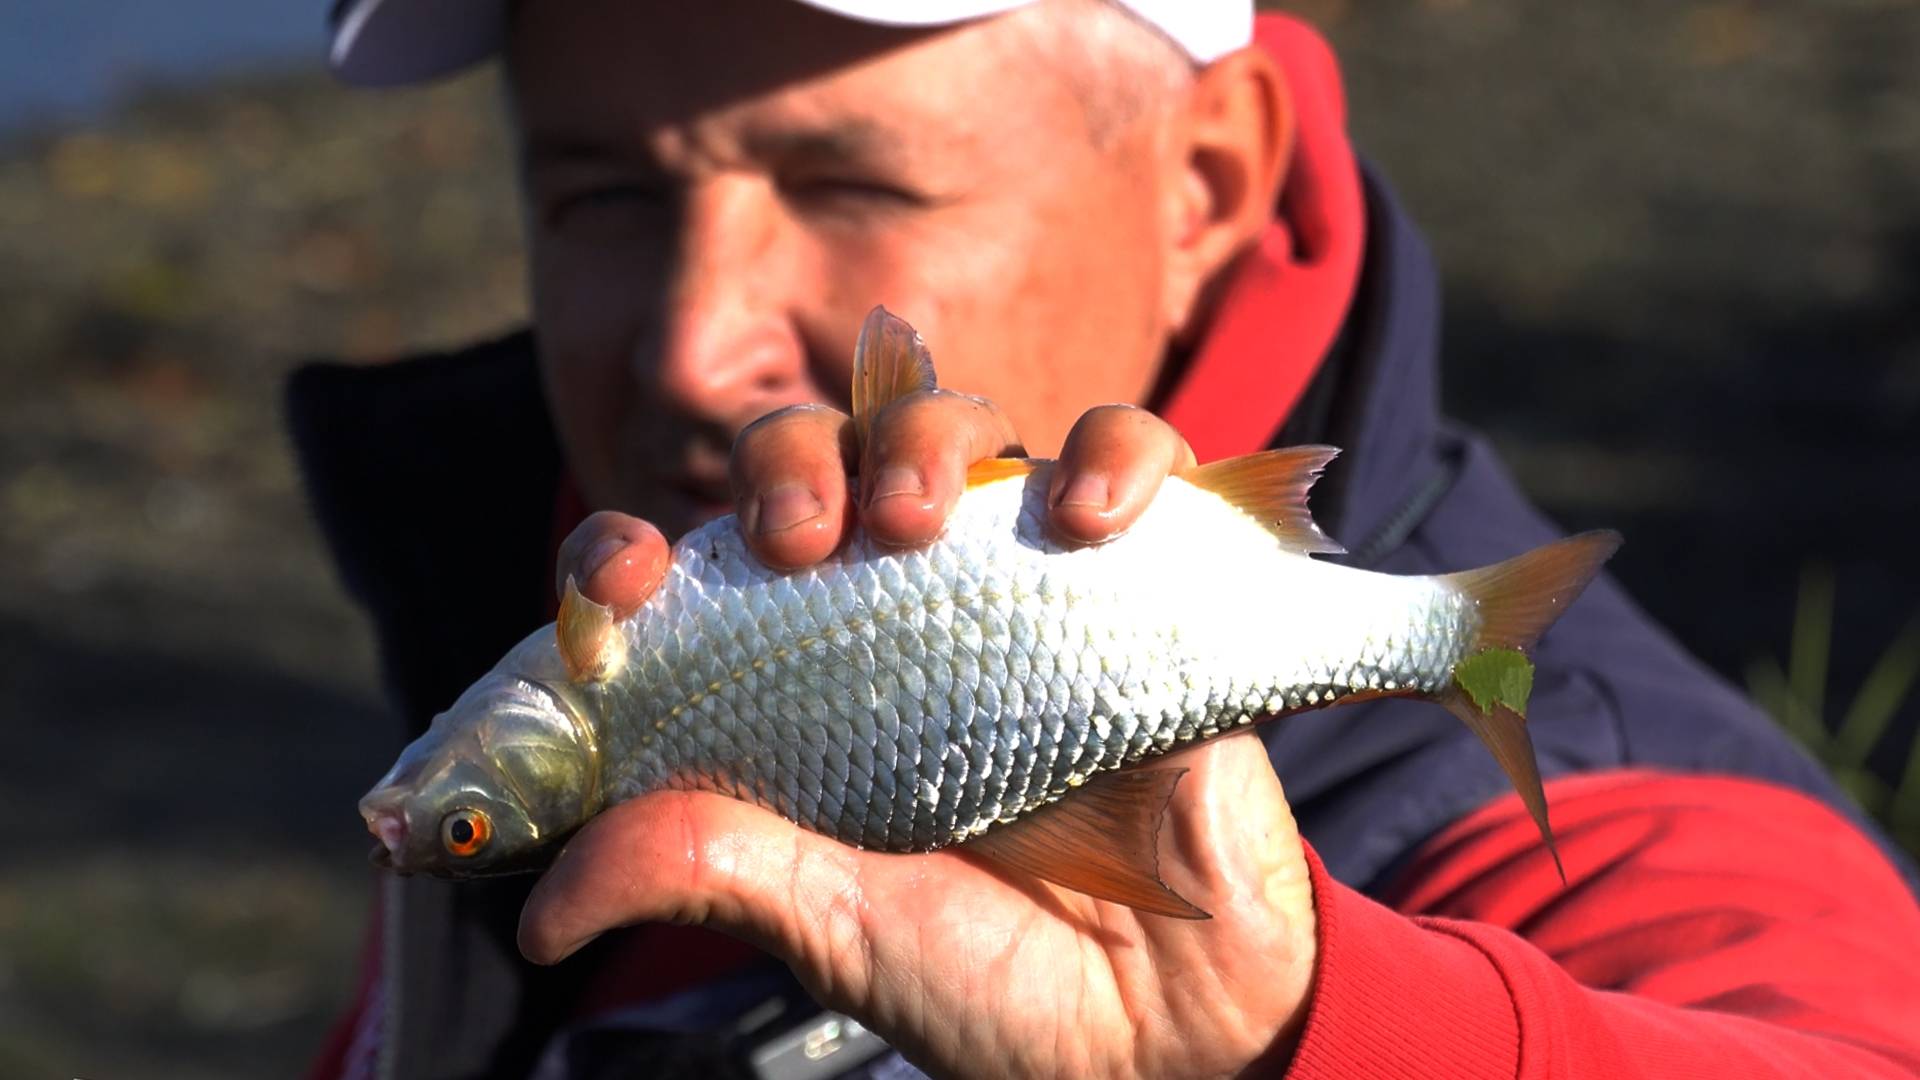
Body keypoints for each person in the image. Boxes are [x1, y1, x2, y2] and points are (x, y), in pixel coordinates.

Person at [295, 1, 1920, 1076]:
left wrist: (1297, 1037)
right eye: (603, 197)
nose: (690, 345)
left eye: (848, 180)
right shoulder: (500, 602)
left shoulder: (1620, 820)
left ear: (1211, 183)